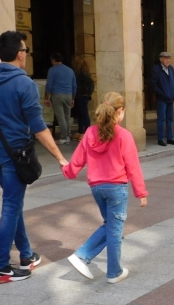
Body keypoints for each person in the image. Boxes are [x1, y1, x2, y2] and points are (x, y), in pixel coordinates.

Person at [0, 31, 68, 282]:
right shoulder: (24, 84)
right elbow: (39, 128)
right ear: (20, 54)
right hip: (15, 155)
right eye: (25, 50)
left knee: (13, 204)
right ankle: (1, 265)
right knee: (10, 206)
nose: (26, 54)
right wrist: (60, 157)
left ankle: (26, 254)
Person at [63, 92, 148, 284]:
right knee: (115, 230)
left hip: (97, 188)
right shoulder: (124, 135)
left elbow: (77, 160)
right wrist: (141, 192)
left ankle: (89, 259)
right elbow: (133, 166)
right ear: (120, 111)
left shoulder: (91, 132)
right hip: (116, 187)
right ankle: (110, 270)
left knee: (110, 226)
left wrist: (68, 171)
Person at [44, 52, 77, 144]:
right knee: (67, 116)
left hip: (57, 95)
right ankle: (68, 136)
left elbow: (49, 85)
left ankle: (64, 137)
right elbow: (74, 85)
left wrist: (46, 97)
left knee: (61, 117)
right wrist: (73, 97)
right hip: (69, 94)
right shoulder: (70, 70)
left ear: (53, 60)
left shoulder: (52, 70)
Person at [150, 51, 174, 146]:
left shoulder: (171, 69)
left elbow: (173, 82)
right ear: (161, 59)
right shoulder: (156, 69)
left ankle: (170, 138)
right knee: (162, 118)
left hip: (170, 98)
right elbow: (153, 84)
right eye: (166, 58)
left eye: (169, 58)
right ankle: (161, 138)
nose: (168, 60)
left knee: (170, 119)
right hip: (162, 98)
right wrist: (160, 93)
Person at [72, 55, 94, 142]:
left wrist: (85, 93)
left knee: (84, 114)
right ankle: (81, 131)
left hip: (82, 96)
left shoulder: (80, 74)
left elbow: (90, 84)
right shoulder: (82, 73)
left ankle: (86, 132)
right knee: (81, 114)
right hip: (82, 95)